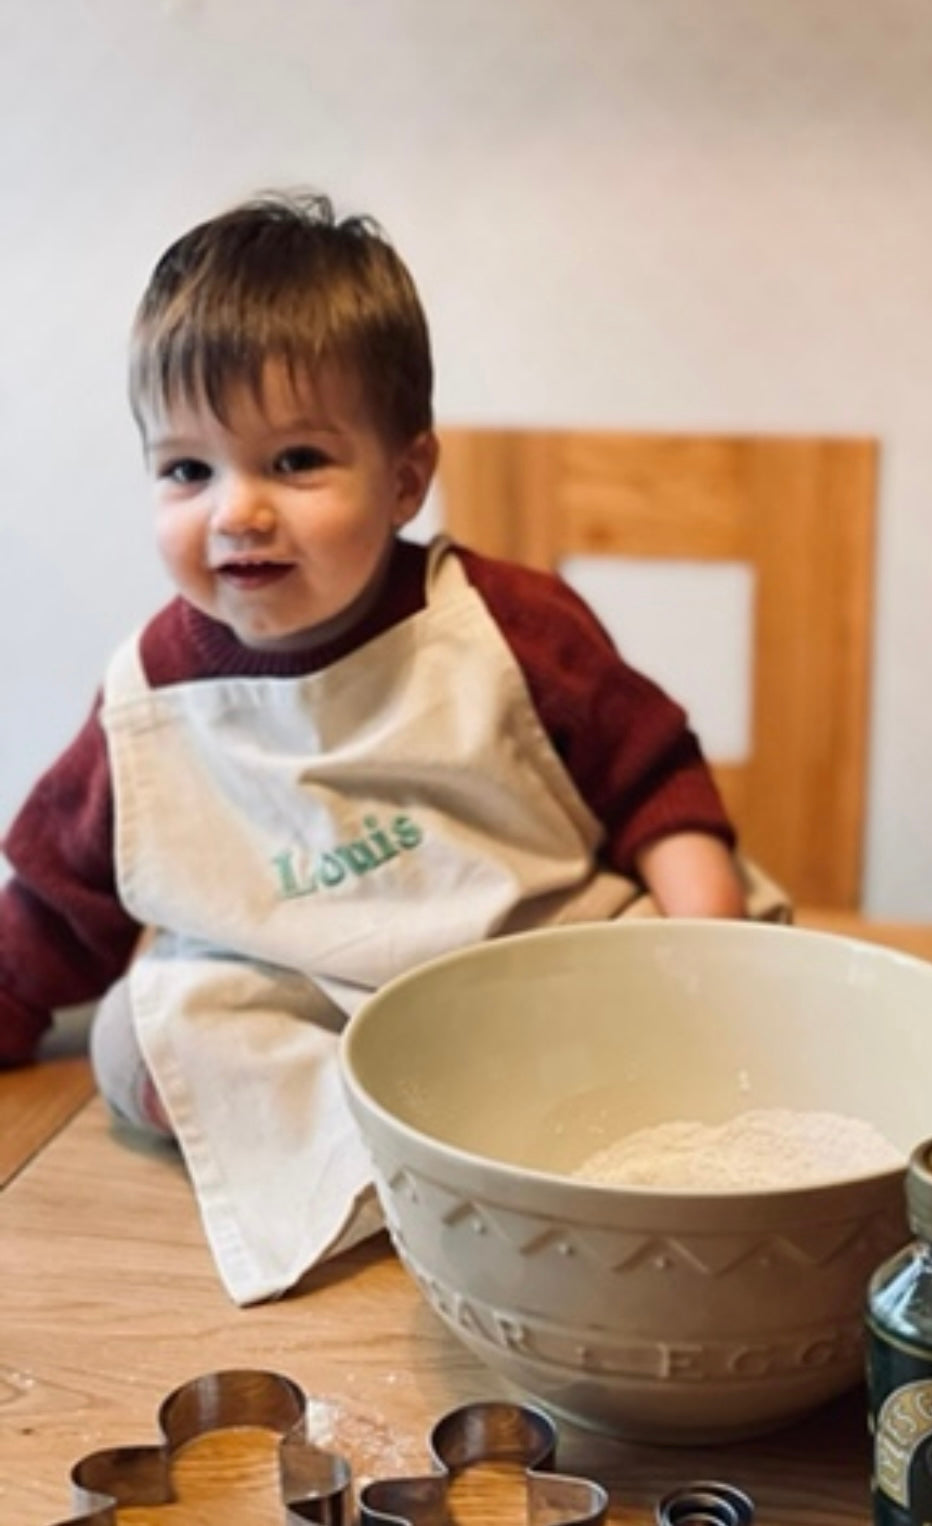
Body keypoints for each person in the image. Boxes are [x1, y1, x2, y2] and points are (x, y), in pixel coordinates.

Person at [0, 192, 787, 1304]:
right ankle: (405, 1155)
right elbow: (57, 901)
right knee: (135, 1037)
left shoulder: (501, 623)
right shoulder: (149, 694)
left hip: (525, 962)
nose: (238, 512)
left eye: (296, 460)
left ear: (405, 478)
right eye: (188, 470)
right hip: (313, 1005)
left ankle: (521, 1125)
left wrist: (711, 951)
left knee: (687, 954)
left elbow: (654, 774)